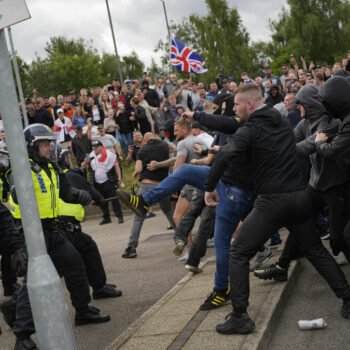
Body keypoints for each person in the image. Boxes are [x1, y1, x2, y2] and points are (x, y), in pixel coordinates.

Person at [202, 84, 350, 335]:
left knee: (237, 252)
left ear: (250, 105)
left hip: (272, 201)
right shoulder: (281, 122)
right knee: (314, 250)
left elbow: (227, 153)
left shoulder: (250, 129)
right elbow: (294, 150)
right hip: (299, 197)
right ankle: (347, 297)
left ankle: (240, 316)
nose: (234, 110)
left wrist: (209, 186)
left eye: (237, 105)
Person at [8, 124, 110, 349]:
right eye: (44, 144)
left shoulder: (53, 167)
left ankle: (83, 311)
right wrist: (25, 176)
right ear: (32, 147)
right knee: (32, 283)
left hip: (54, 230)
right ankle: (22, 335)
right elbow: (15, 193)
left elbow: (67, 192)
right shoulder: (21, 167)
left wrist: (79, 195)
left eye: (49, 143)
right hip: (31, 232)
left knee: (75, 264)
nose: (49, 147)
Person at [122, 133, 176, 258]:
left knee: (138, 216)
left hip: (147, 186)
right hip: (163, 185)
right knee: (169, 211)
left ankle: (131, 247)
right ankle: (181, 238)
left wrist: (135, 172)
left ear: (146, 140)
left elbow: (139, 169)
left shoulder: (142, 150)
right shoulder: (165, 145)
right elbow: (174, 153)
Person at [89, 140, 123, 224]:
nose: (95, 148)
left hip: (108, 180)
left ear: (101, 146)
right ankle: (106, 217)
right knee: (102, 201)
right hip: (97, 182)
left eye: (96, 147)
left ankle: (119, 216)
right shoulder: (91, 155)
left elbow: (116, 165)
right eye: (93, 147)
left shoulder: (109, 154)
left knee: (114, 199)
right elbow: (90, 168)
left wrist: (119, 177)